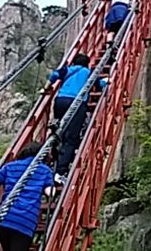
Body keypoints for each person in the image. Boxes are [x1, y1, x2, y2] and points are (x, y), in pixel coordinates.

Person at [41, 53, 108, 184]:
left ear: (74, 62)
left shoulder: (67, 69)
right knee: (71, 139)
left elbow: (54, 75)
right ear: (87, 63)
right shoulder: (88, 72)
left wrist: (46, 88)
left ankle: (52, 158)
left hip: (60, 101)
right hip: (76, 104)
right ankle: (60, 172)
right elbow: (100, 84)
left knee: (58, 134)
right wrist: (106, 82)